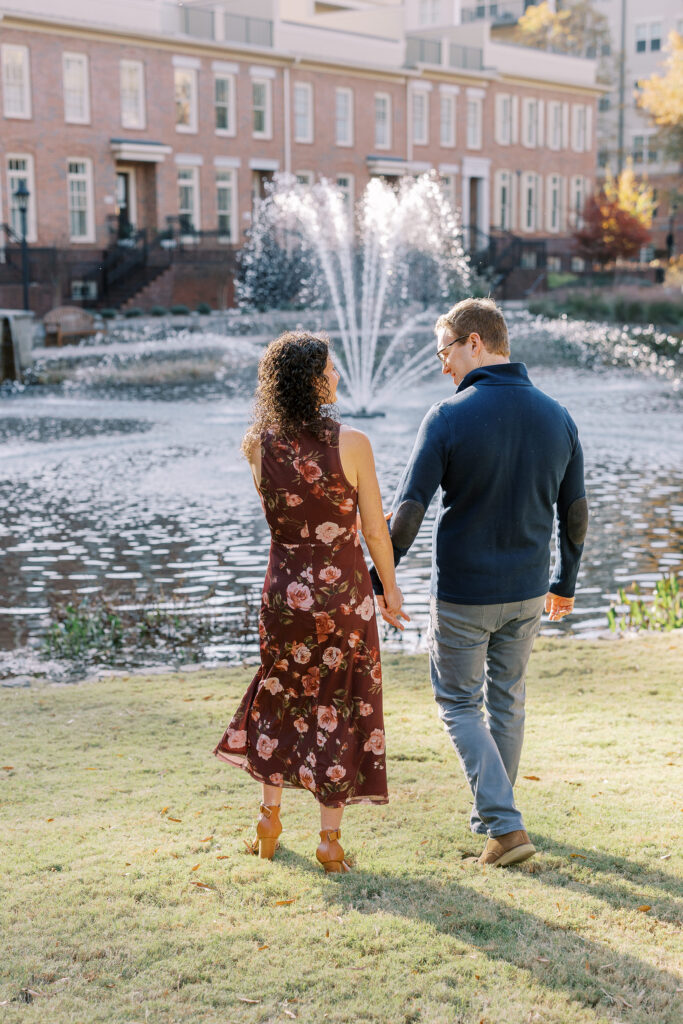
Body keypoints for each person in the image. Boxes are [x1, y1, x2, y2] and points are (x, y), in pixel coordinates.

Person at [371, 297, 587, 868]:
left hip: (466, 595)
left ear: (474, 342)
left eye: (445, 351)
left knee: (459, 704)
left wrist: (380, 579)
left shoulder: (446, 417)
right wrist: (565, 583)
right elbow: (577, 512)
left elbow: (409, 513)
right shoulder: (558, 415)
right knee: (507, 704)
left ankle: (505, 826)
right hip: (526, 592)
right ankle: (495, 820)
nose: (443, 366)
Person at [214, 331, 407, 873]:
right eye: (331, 368)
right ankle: (329, 842)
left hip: (283, 595)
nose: (339, 376)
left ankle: (268, 821)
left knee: (280, 693)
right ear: (313, 379)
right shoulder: (354, 443)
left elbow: (285, 517)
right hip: (342, 596)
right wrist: (389, 591)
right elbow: (373, 531)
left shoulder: (257, 444)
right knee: (340, 704)